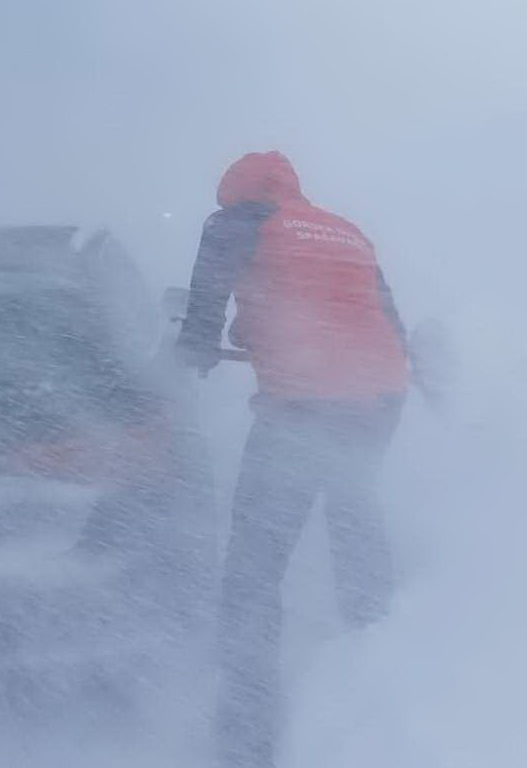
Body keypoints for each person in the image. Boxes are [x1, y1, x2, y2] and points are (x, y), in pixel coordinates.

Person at [175, 151, 409, 768]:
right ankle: (379, 654)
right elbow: (382, 319)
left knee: (255, 562)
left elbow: (206, 301)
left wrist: (191, 352)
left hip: (306, 406)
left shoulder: (232, 223)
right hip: (382, 395)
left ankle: (246, 734)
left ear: (234, 193)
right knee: (353, 510)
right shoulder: (344, 229)